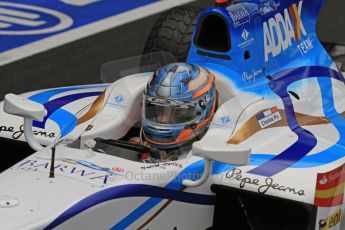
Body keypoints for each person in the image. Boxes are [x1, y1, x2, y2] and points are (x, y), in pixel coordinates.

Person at [138, 62, 218, 161]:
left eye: (178, 112)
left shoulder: (213, 152)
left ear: (203, 107)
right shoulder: (137, 141)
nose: (163, 120)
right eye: (158, 109)